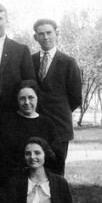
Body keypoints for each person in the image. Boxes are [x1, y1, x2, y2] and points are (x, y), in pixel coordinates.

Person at [0, 80, 64, 186]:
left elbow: (57, 157)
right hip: (13, 180)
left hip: (43, 179)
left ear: (37, 98)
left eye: (31, 98)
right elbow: (2, 156)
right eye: (22, 98)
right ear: (17, 100)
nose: (27, 102)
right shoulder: (6, 122)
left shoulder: (47, 124)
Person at [32, 18, 82, 162]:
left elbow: (75, 97)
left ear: (56, 33)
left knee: (56, 170)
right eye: (41, 34)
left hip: (59, 126)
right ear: (35, 37)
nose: (45, 37)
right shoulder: (29, 60)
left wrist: (59, 110)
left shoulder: (69, 62)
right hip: (35, 125)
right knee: (35, 167)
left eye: (49, 32)